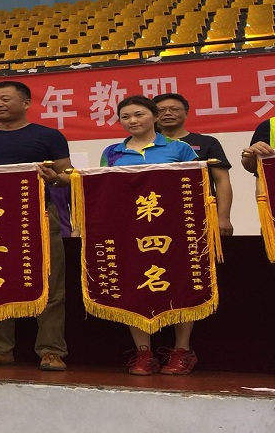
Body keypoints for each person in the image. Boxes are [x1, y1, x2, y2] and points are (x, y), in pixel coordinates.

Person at [0, 80, 71, 372]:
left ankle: (51, 350)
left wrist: (54, 179)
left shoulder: (48, 136)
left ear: (26, 103)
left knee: (50, 283)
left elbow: (67, 176)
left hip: (38, 214)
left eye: (5, 99)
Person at [100, 95, 200, 376]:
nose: (132, 121)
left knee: (181, 284)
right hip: (130, 231)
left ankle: (182, 350)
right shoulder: (112, 152)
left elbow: (195, 185)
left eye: (139, 114)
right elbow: (104, 190)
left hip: (173, 229)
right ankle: (144, 353)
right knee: (134, 285)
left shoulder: (179, 148)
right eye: (125, 117)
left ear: (155, 117)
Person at [153, 93, 233, 236]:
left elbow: (222, 181)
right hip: (157, 212)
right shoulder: (146, 146)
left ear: (186, 113)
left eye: (174, 109)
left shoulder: (207, 142)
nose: (168, 113)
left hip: (199, 211)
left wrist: (223, 218)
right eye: (161, 110)